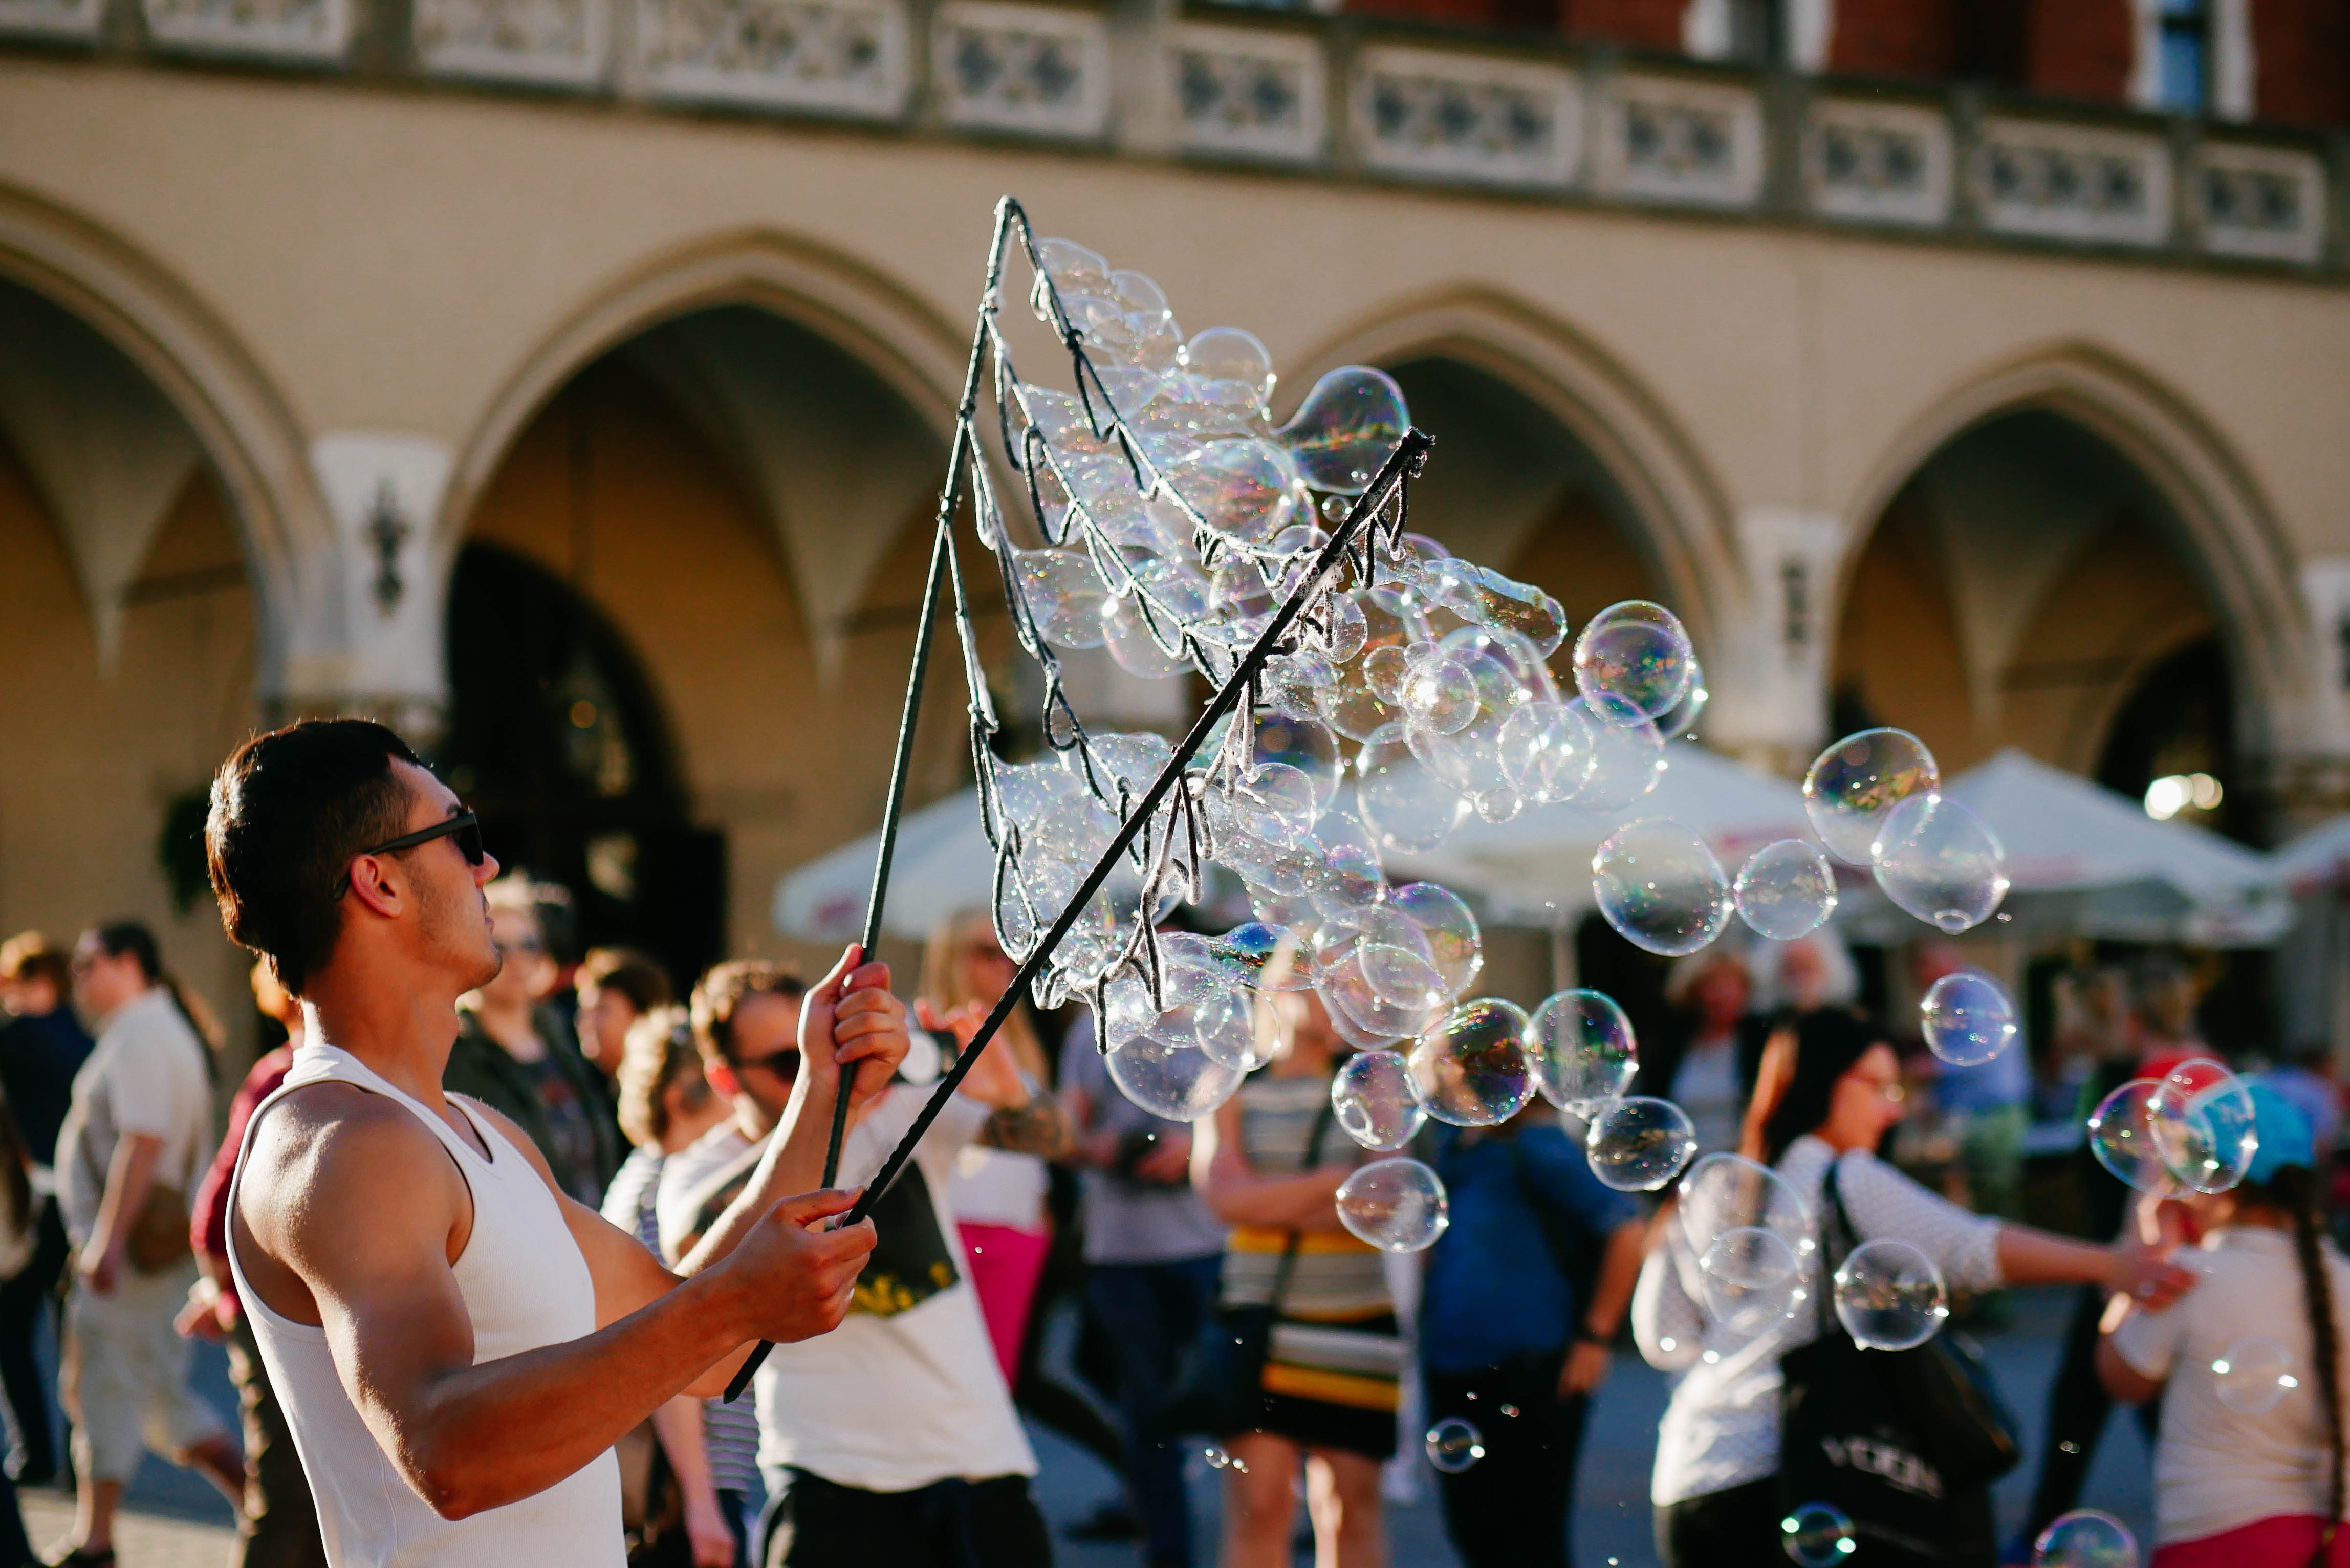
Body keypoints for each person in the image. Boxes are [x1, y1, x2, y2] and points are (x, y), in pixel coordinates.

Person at [204, 717, 903, 1564]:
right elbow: (446, 1452)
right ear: (378, 881)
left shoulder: (476, 1129)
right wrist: (727, 1303)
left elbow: (696, 1349)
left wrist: (821, 1092)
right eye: (461, 835)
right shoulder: (340, 1137)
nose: (488, 865)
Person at [1634, 1008, 2201, 1567]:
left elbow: (1664, 1336)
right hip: (1786, 1474)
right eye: (1875, 1085)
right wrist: (2109, 1265)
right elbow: (1972, 1249)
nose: (1889, 1108)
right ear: (1821, 1080)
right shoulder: (1840, 1175)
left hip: (1689, 1473)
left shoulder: (1711, 1181)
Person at [657, 960, 1056, 1568]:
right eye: (787, 1062)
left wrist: (1015, 1095)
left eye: (825, 1050)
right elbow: (695, 1258)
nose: (817, 1070)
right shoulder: (703, 1170)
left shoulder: (898, 1110)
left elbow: (1053, 1139)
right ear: (724, 1078)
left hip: (975, 1460)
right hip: (828, 1476)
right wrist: (824, 1122)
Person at [53, 920, 243, 1565]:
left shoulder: (144, 1034)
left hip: (129, 1258)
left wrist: (105, 1243)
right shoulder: (151, 1029)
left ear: (127, 963)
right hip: (139, 1254)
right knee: (156, 1396)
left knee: (111, 1387)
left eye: (87, 963)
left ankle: (96, 1539)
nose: (78, 979)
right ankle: (259, 1503)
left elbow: (144, 1141)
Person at [2098, 1082, 2350, 1566]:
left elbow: (2121, 1378)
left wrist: (2146, 1258)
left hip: (2218, 1542)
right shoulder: (2343, 1279)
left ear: (2214, 1182)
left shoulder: (2190, 1278)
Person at [1194, 976, 1396, 1568]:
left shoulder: (1372, 1084)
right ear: (1286, 985)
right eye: (1332, 981)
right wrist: (1339, 1183)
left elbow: (1382, 1198)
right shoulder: (1229, 1083)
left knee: (1352, 1508)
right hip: (1260, 1323)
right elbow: (1222, 1201)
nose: (1350, 996)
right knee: (1259, 1507)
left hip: (1354, 1325)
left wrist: (1265, 1196)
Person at [1420, 1097, 1645, 1568]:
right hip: (1453, 1362)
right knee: (1475, 1534)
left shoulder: (1536, 1146)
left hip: (1533, 1363)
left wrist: (1595, 1337)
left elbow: (1627, 1230)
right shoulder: (1451, 1146)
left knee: (1532, 1537)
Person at [1060, 1004, 1229, 1568]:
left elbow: (1247, 1119)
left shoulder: (1219, 1024)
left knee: (1230, 1402)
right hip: (1120, 1250)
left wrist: (1194, 1153)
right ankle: (1167, 1549)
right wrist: (1096, 1148)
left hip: (1203, 1244)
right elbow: (1068, 1128)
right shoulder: (1095, 1029)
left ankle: (1259, 1530)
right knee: (1146, 1407)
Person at [178, 959, 326, 1568]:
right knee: (287, 1493)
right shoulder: (280, 1075)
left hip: (318, 1317)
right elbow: (217, 1210)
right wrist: (226, 1292)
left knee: (323, 1495)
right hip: (279, 1320)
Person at [603, 1006, 754, 1568]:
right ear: (678, 1096)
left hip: (695, 1476)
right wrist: (700, 1500)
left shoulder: (641, 1178)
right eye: (722, 1080)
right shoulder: (661, 1194)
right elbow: (664, 1350)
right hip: (683, 1484)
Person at [444, 877, 624, 1204]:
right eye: (500, 945)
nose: (517, 960)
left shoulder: (561, 1036)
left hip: (591, 1235)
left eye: (529, 945)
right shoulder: (453, 1049)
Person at [0, 931, 91, 1485]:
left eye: (11, 983)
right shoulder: (84, 1038)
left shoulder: (18, 1038)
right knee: (71, 1340)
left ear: (38, 982)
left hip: (33, 1205)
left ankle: (35, 1454)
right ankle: (82, 1464)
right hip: (79, 1204)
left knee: (10, 1332)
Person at [1912, 943, 2031, 1222]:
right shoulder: (1966, 993)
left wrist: (1930, 1067)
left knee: (1994, 1200)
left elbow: (1978, 1052)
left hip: (1993, 1113)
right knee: (1982, 1202)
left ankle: (2011, 1262)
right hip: (1984, 1114)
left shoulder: (1973, 995)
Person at [1646, 949, 1759, 1158]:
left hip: (1744, 1166)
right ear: (1693, 992)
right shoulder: (1672, 1047)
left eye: (1731, 984)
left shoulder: (1759, 1044)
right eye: (1713, 985)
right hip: (1683, 1165)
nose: (1723, 994)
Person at [578, 947, 673, 1089]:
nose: (587, 1023)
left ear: (640, 1016)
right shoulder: (586, 1089)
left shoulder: (667, 1088)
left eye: (602, 1011)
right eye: (583, 1011)